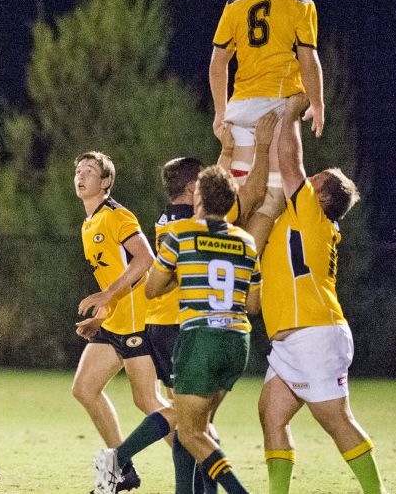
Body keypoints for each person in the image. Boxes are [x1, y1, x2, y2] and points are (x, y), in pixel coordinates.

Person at [91, 113, 278, 494]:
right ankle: (121, 460)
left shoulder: (173, 221)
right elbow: (249, 193)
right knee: (191, 424)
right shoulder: (217, 232)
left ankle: (128, 464)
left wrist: (226, 150)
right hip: (188, 328)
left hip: (168, 323)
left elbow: (215, 188)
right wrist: (256, 148)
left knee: (191, 424)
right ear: (195, 189)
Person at [249, 94, 388, 494]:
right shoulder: (300, 223)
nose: (307, 182)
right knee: (271, 414)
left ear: (321, 196)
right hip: (295, 339)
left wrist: (291, 114)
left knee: (336, 420)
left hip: (314, 335)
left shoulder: (310, 214)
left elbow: (290, 162)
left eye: (316, 180)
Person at [209, 0, 325, 252]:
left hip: (240, 107)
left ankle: (215, 263)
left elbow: (218, 62)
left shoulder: (235, 1)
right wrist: (317, 103)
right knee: (271, 200)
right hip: (274, 107)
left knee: (233, 197)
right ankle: (242, 272)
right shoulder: (301, 2)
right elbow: (308, 58)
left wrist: (221, 111)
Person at [74, 152, 168, 493]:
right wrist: (100, 315)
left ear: (106, 182)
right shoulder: (89, 223)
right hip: (114, 322)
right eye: (79, 170)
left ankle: (199, 460)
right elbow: (114, 277)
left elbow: (146, 259)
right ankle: (123, 469)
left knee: (149, 403)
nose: (81, 175)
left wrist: (105, 297)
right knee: (84, 389)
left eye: (90, 171)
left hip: (137, 322)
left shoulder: (117, 215)